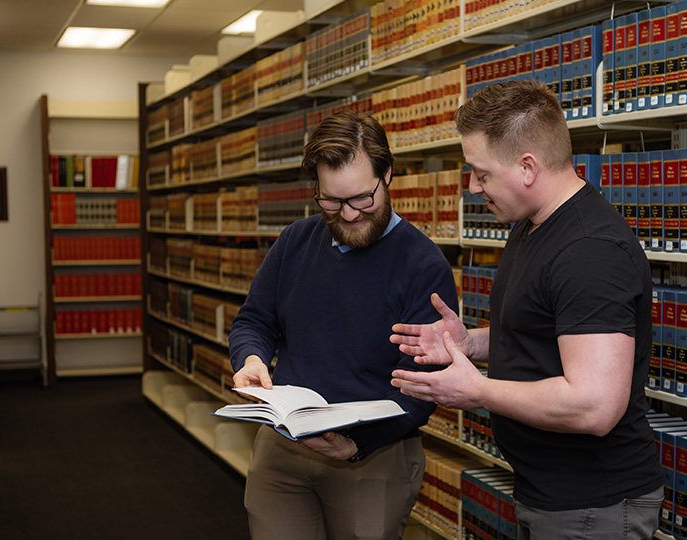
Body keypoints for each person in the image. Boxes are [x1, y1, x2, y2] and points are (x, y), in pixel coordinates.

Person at [389, 80, 664, 540]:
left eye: (481, 173)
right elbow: (546, 335)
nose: (474, 187)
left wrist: (478, 391)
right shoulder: (533, 225)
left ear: (528, 167)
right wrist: (470, 343)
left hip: (592, 504)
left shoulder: (589, 250)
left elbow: (595, 405)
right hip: (551, 495)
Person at [228, 109, 460, 540]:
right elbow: (253, 320)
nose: (349, 214)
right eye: (331, 201)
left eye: (360, 199)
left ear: (387, 175)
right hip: (284, 448)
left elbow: (428, 381)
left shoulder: (422, 263)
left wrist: (356, 445)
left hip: (374, 455)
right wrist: (251, 359)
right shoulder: (295, 242)